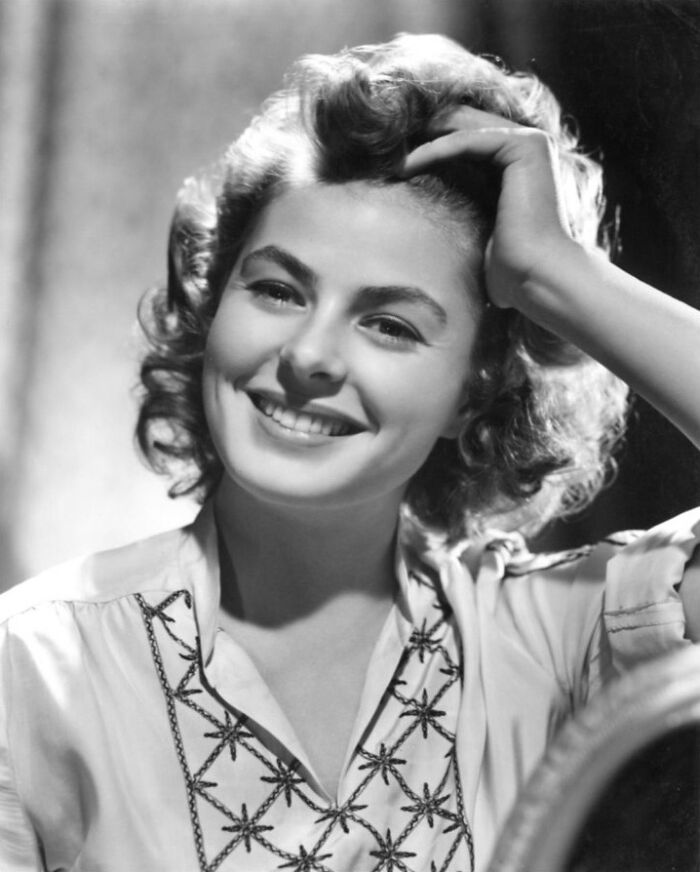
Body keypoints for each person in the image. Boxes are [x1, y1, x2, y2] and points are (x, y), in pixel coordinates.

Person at [1, 32, 699, 872]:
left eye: (390, 325)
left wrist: (559, 275)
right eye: (277, 289)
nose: (309, 356)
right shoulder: (32, 664)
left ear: (472, 394)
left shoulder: (553, 637)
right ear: (214, 305)